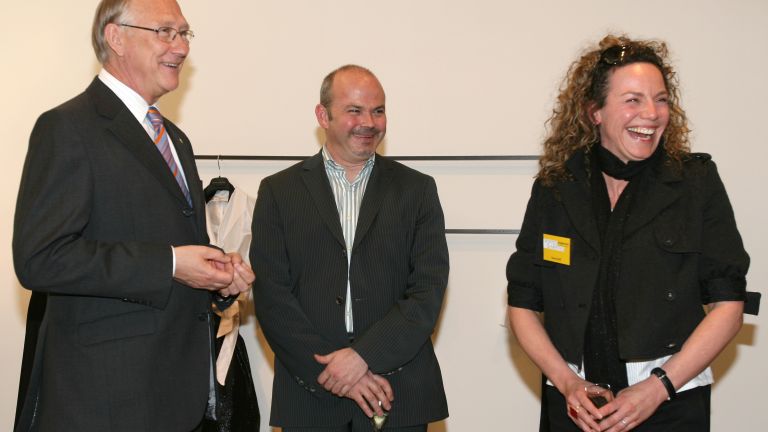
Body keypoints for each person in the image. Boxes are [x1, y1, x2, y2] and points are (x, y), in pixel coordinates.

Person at [12, 0, 254, 430]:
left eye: (184, 34)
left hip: (173, 397)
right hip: (105, 401)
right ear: (115, 36)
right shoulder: (67, 127)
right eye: (165, 32)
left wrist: (216, 276)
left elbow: (171, 248)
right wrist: (174, 264)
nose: (180, 47)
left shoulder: (174, 139)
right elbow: (41, 259)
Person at [506, 35, 749, 431]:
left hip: (670, 404)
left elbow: (729, 306)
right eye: (633, 100)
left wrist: (657, 388)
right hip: (575, 407)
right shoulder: (555, 188)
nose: (651, 114)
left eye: (661, 99)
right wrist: (567, 382)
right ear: (594, 111)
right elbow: (522, 303)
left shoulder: (696, 183)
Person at [250, 65, 449, 432]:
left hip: (398, 394)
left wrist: (362, 357)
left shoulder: (417, 190)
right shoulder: (278, 192)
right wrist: (334, 371)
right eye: (354, 110)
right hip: (310, 397)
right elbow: (272, 297)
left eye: (378, 110)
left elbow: (427, 291)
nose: (369, 122)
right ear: (322, 115)